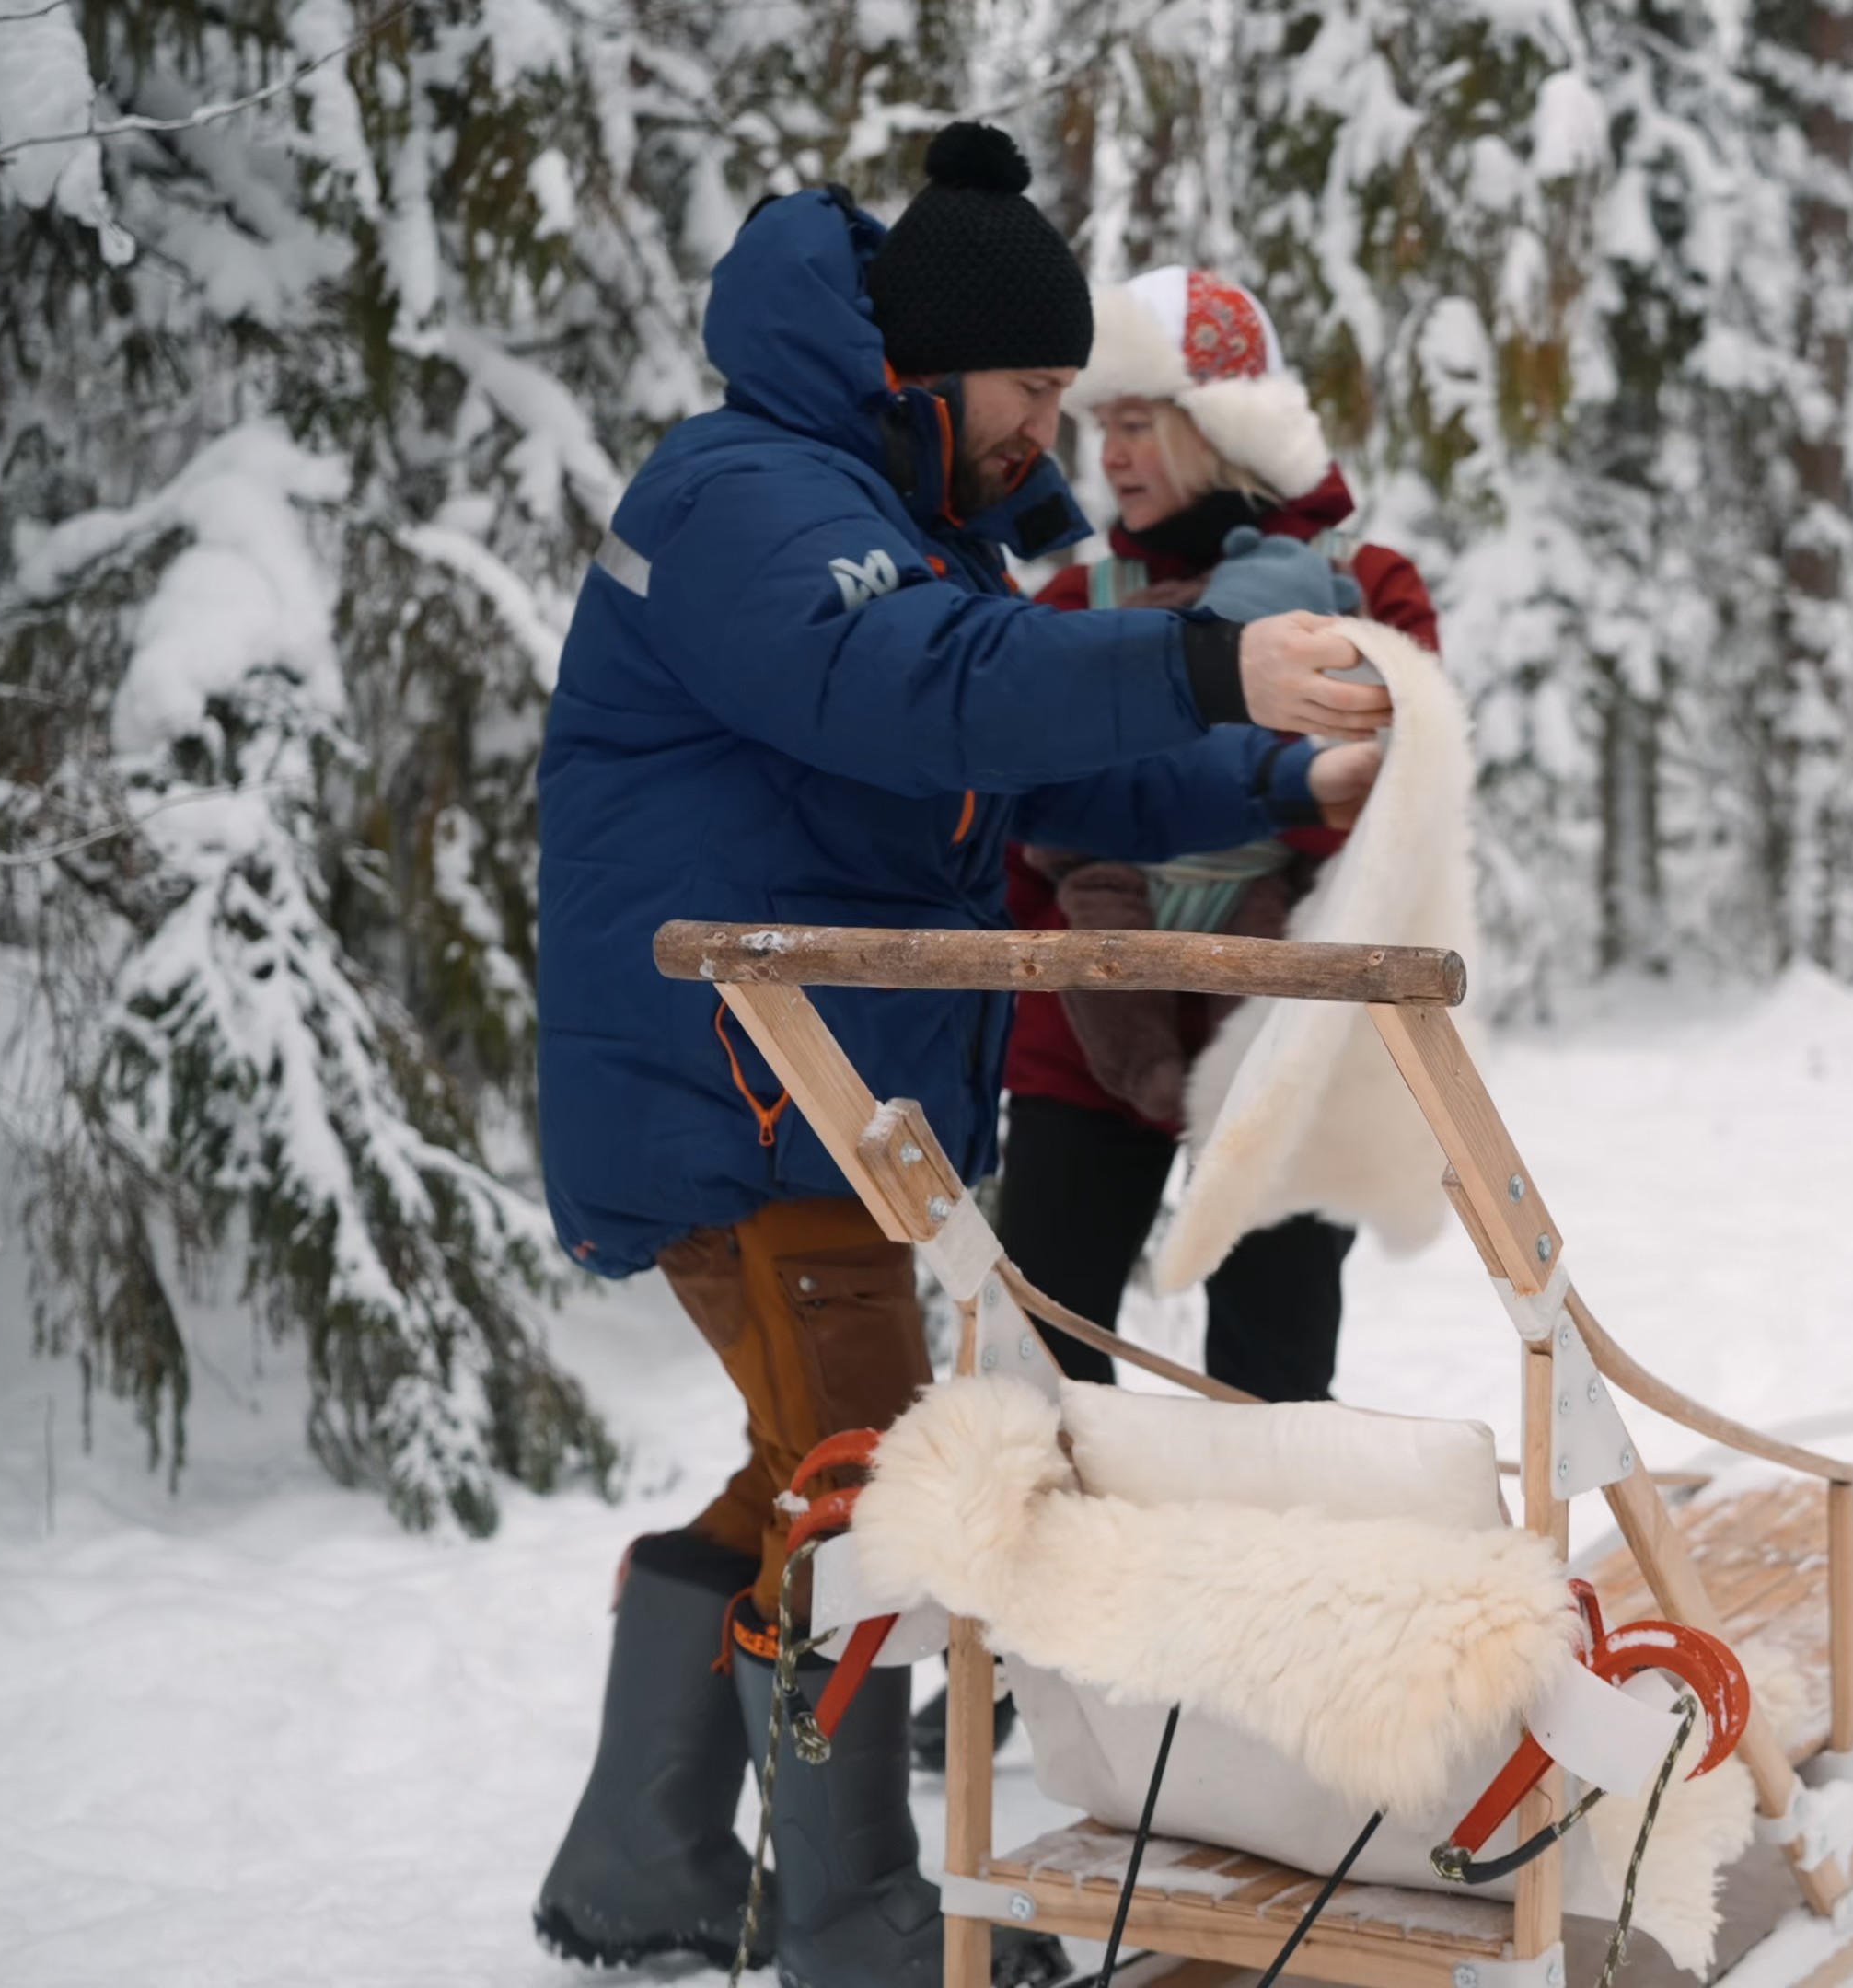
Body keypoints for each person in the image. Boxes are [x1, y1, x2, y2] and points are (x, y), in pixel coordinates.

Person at [525, 126, 1386, 1988]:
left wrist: (1276, 770)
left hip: (807, 1099)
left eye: (1072, 398)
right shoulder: (753, 499)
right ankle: (866, 1936)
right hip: (741, 1095)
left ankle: (646, 1864)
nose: (1047, 436)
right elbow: (922, 690)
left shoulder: (894, 522)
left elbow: (1036, 754)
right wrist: (1204, 671)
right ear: (925, 363)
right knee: (873, 1485)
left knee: (812, 1466)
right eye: (1031, 390)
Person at [996, 266, 1442, 1404]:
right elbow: (1021, 821)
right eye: (1102, 428)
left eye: (1139, 423)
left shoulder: (1370, 591)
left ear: (1223, 426)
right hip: (1084, 1035)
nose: (1113, 457)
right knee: (1045, 1365)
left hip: (1283, 1030)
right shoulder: (1064, 611)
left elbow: (1395, 817)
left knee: (1274, 1380)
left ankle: (1266, 1573)